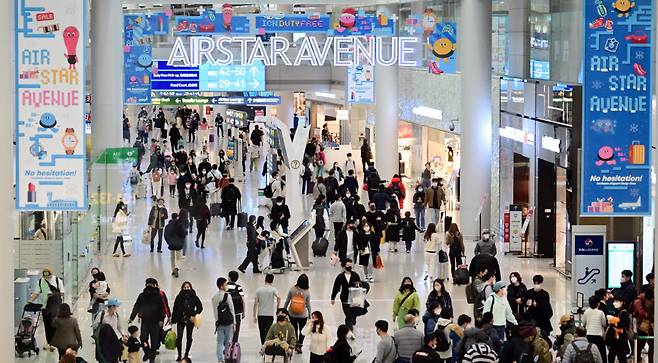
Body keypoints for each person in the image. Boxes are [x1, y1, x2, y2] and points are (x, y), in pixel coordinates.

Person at [128, 278, 165, 363]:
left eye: (151, 284)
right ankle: (147, 352)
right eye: (148, 284)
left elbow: (162, 309)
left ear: (155, 285)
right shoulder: (142, 295)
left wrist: (161, 320)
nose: (149, 285)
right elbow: (136, 306)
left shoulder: (158, 296)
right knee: (143, 338)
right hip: (145, 321)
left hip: (155, 322)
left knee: (154, 340)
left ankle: (152, 358)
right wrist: (131, 317)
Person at [30, 267, 65, 351]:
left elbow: (62, 293)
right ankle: (49, 342)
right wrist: (30, 300)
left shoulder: (57, 280)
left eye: (48, 276)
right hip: (45, 306)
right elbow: (36, 293)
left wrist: (53, 294)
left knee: (54, 324)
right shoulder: (41, 282)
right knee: (47, 325)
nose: (47, 278)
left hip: (56, 306)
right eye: (45, 276)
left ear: (51, 274)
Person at [172, 281, 203, 361]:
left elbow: (200, 307)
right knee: (179, 337)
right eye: (185, 287)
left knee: (189, 337)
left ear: (191, 287)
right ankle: (179, 355)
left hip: (190, 319)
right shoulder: (179, 297)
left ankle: (186, 353)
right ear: (182, 288)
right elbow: (175, 308)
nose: (186, 289)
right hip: (180, 319)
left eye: (188, 287)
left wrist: (194, 314)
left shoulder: (194, 297)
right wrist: (173, 319)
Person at [330, 259, 362, 330]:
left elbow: (359, 286)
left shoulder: (355, 275)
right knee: (348, 315)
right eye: (347, 265)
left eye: (350, 265)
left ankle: (351, 323)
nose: (349, 267)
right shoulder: (340, 277)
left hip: (354, 299)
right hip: (344, 299)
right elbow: (336, 287)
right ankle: (349, 330)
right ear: (344, 266)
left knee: (353, 315)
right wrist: (333, 298)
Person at [283, 274, 312, 353]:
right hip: (303, 314)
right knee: (303, 330)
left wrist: (284, 310)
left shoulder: (292, 289)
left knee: (294, 329)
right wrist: (310, 314)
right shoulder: (307, 292)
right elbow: (308, 304)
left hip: (292, 313)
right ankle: (299, 345)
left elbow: (287, 300)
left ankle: (295, 343)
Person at [254, 274, 282, 344]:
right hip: (270, 314)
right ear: (272, 281)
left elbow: (255, 303)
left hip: (260, 314)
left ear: (265, 279)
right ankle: (267, 345)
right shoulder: (273, 289)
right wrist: (277, 308)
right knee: (268, 331)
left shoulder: (259, 290)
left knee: (262, 331)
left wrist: (254, 315)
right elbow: (279, 297)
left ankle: (263, 344)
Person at [212, 277, 235, 361]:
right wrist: (234, 322)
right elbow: (232, 310)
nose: (227, 286)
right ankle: (227, 357)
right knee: (229, 341)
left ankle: (220, 359)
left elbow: (215, 312)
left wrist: (217, 322)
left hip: (219, 322)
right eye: (225, 284)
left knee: (219, 342)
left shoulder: (214, 297)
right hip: (229, 322)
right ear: (221, 286)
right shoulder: (227, 296)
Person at [582, 295, 608, 362]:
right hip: (598, 337)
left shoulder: (586, 312)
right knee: (602, 355)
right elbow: (604, 324)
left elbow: (583, 323)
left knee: (589, 354)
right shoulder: (600, 313)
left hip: (589, 336)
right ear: (598, 303)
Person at [633, 287, 654, 363]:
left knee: (650, 343)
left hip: (648, 324)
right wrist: (650, 316)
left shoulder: (646, 299)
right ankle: (637, 359)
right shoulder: (639, 300)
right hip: (641, 324)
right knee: (640, 343)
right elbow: (641, 312)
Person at [226, 271, 246, 342]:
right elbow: (242, 300)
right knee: (236, 331)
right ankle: (234, 348)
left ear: (229, 277)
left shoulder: (225, 286)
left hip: (227, 313)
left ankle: (227, 348)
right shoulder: (238, 287)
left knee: (227, 331)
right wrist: (244, 312)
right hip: (237, 312)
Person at [164, 213, 186, 277]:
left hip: (171, 244)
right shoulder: (180, 225)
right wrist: (182, 241)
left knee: (172, 257)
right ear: (177, 217)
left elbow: (165, 235)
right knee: (179, 257)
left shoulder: (168, 226)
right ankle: (177, 268)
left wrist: (168, 242)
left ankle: (173, 269)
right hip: (179, 244)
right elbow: (183, 234)